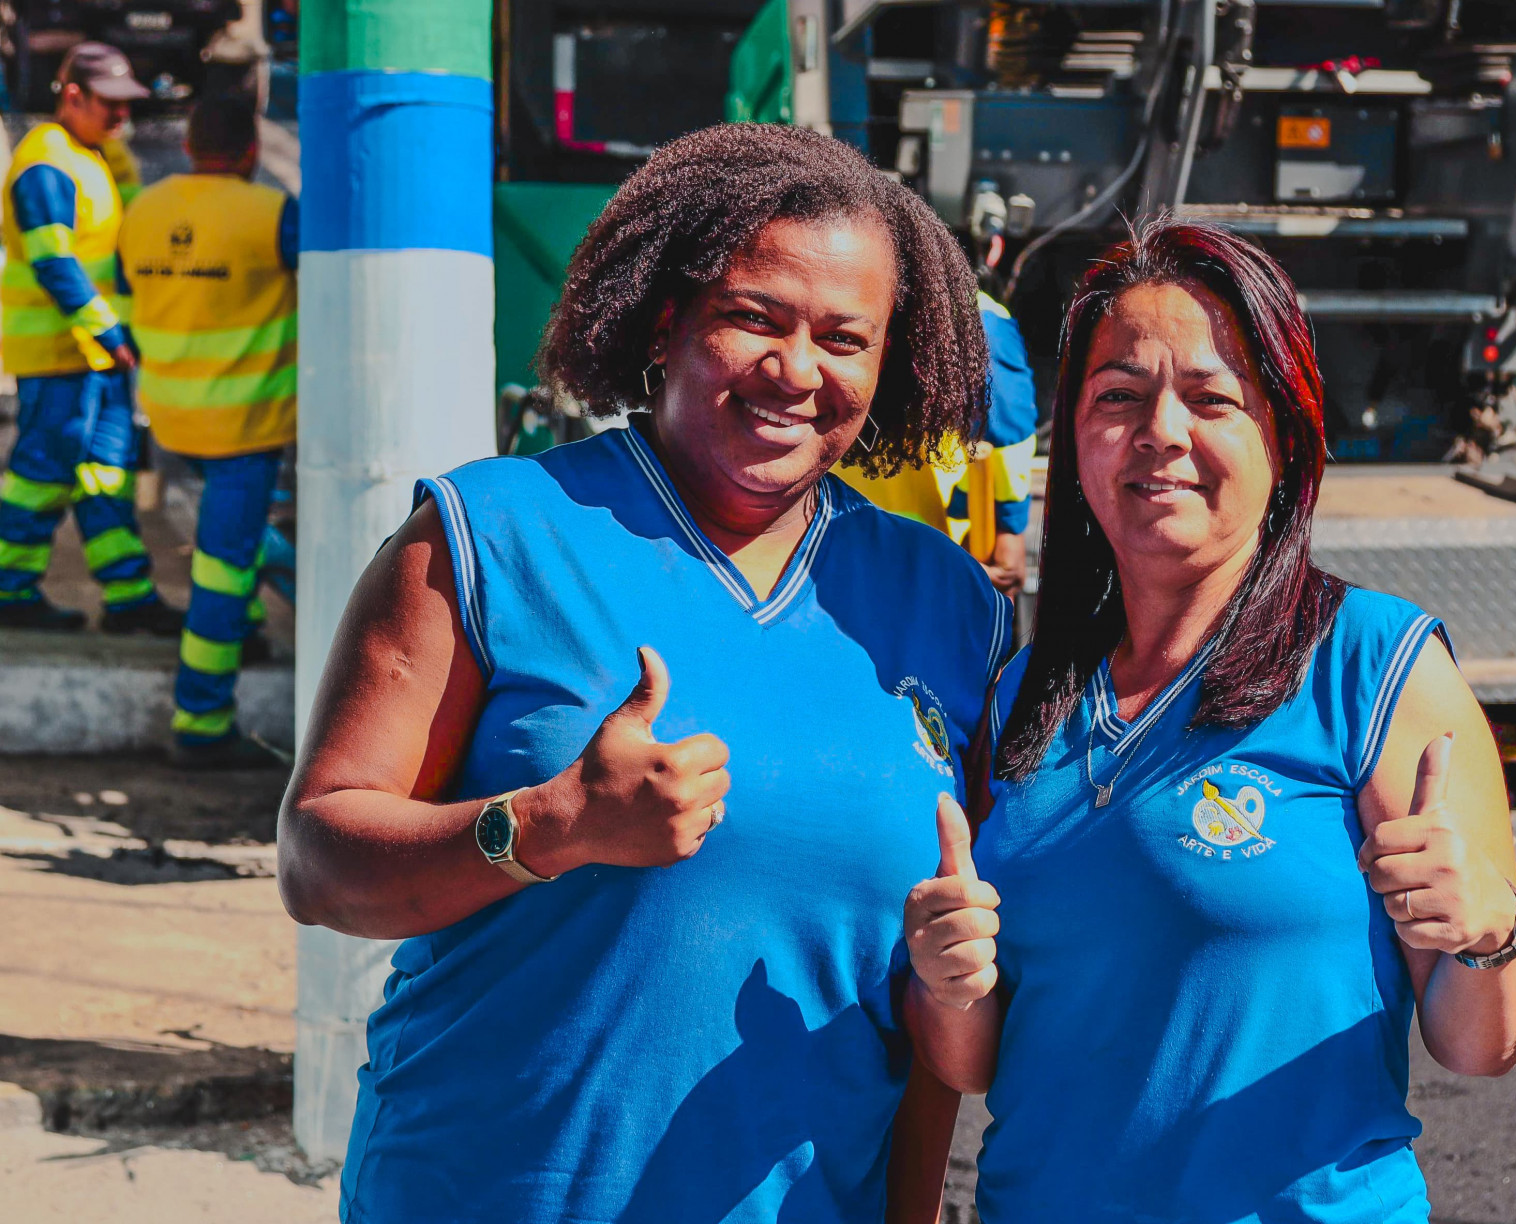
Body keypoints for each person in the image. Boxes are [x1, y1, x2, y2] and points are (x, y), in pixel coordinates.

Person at [277, 123, 1010, 1223]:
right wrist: (552, 824)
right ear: (665, 320)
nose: (795, 369)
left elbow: (928, 1012)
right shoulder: (491, 535)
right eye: (753, 316)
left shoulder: (948, 608)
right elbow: (317, 862)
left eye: (843, 338)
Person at [903, 218, 1516, 1222]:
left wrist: (1489, 928)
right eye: (1118, 396)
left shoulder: (1373, 665)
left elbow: (1489, 1042)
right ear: (1073, 442)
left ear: (1283, 437)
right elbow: (977, 1061)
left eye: (1211, 398)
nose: (1161, 431)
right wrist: (947, 983)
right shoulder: (1023, 692)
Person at [120, 93, 297, 768]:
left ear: (190, 146)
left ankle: (244, 629)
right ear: (250, 152)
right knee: (221, 571)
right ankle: (201, 721)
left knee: (235, 546)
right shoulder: (272, 213)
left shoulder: (146, 207)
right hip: (243, 427)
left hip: (171, 418)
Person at [0, 43, 181, 634]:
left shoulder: (95, 153)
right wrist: (108, 331)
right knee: (43, 472)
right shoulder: (46, 162)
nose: (122, 116)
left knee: (107, 473)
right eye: (111, 104)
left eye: (128, 105)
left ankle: (128, 596)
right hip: (62, 353)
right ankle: (9, 589)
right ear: (73, 96)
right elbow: (53, 262)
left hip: (99, 354)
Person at [839, 288, 1038, 593]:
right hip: (932, 548)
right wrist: (1007, 527)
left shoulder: (837, 292)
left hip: (837, 534)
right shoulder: (973, 314)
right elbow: (1006, 427)